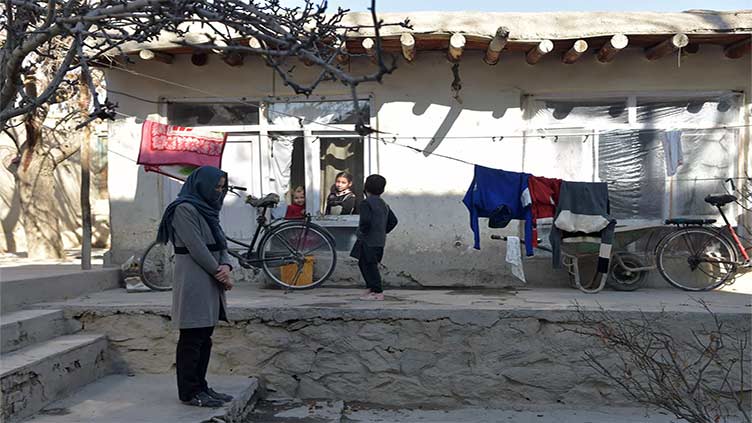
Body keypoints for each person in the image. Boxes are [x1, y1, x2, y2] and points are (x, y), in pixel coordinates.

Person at [156, 166, 235, 408]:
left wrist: (227, 266)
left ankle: (201, 385)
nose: (219, 192)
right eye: (216, 187)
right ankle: (189, 391)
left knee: (205, 336)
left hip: (211, 276)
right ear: (202, 185)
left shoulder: (209, 210)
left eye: (222, 187)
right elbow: (196, 246)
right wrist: (218, 272)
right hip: (194, 277)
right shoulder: (184, 209)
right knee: (192, 336)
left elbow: (221, 242)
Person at [350, 174, 398, 301]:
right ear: (382, 190)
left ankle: (378, 292)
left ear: (365, 187)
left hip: (368, 240)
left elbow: (365, 221)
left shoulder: (366, 203)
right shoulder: (384, 204)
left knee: (369, 266)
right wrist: (383, 231)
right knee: (364, 263)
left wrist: (362, 232)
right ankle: (371, 287)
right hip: (379, 242)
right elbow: (393, 221)